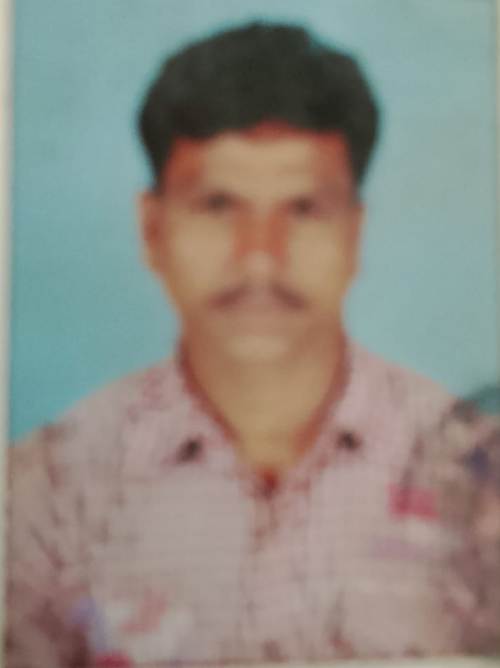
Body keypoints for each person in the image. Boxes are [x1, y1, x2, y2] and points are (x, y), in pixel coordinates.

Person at [5, 22, 500, 667]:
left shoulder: (480, 477)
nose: (260, 256)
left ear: (354, 231)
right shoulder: (46, 498)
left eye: (304, 209)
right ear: (153, 229)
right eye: (217, 205)